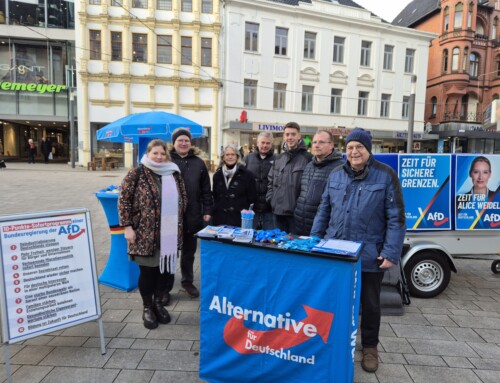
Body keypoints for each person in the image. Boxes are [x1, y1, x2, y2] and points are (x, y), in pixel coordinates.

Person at [311, 128, 406, 373]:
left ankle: (370, 347)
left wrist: (391, 252)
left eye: (359, 147)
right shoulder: (335, 175)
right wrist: (314, 241)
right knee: (335, 300)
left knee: (371, 304)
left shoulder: (386, 176)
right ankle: (335, 342)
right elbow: (324, 210)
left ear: (368, 150)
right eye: (351, 147)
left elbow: (396, 218)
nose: (354, 152)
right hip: (336, 252)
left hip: (369, 255)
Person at [118, 139, 187, 330]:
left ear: (167, 155)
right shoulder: (137, 173)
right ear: (148, 154)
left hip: (169, 233)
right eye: (155, 153)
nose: (159, 156)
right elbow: (124, 200)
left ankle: (158, 303)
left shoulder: (174, 173)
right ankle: (147, 307)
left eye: (162, 153)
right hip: (144, 233)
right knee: (148, 272)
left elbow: (183, 199)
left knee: (163, 272)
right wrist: (127, 227)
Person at [169, 128, 213, 300]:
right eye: (180, 140)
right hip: (170, 216)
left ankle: (187, 281)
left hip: (192, 214)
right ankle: (165, 287)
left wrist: (208, 210)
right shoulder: (166, 161)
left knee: (189, 252)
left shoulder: (198, 163)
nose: (183, 143)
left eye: (186, 140)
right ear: (174, 143)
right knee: (170, 253)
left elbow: (206, 190)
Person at [294, 130, 344, 236]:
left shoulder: (340, 168)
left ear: (331, 145)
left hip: (322, 229)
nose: (316, 145)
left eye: (321, 142)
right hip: (300, 226)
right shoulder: (309, 165)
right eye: (314, 142)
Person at [267, 122, 312, 233]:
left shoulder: (308, 158)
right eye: (287, 134)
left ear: (299, 136)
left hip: (296, 214)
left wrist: (301, 207)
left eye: (293, 134)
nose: (290, 137)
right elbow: (270, 181)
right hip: (278, 212)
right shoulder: (278, 158)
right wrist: (271, 199)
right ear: (284, 136)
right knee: (278, 245)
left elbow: (309, 186)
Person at [212, 144, 257, 227]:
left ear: (237, 157)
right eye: (227, 155)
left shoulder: (247, 175)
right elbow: (215, 196)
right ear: (223, 157)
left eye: (233, 154)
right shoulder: (217, 175)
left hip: (239, 219)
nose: (230, 157)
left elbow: (252, 197)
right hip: (220, 219)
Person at [243, 132, 275, 230]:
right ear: (257, 143)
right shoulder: (247, 158)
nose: (265, 145)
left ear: (271, 144)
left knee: (268, 238)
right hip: (251, 208)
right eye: (262, 142)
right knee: (249, 235)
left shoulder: (278, 159)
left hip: (269, 208)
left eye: (268, 143)